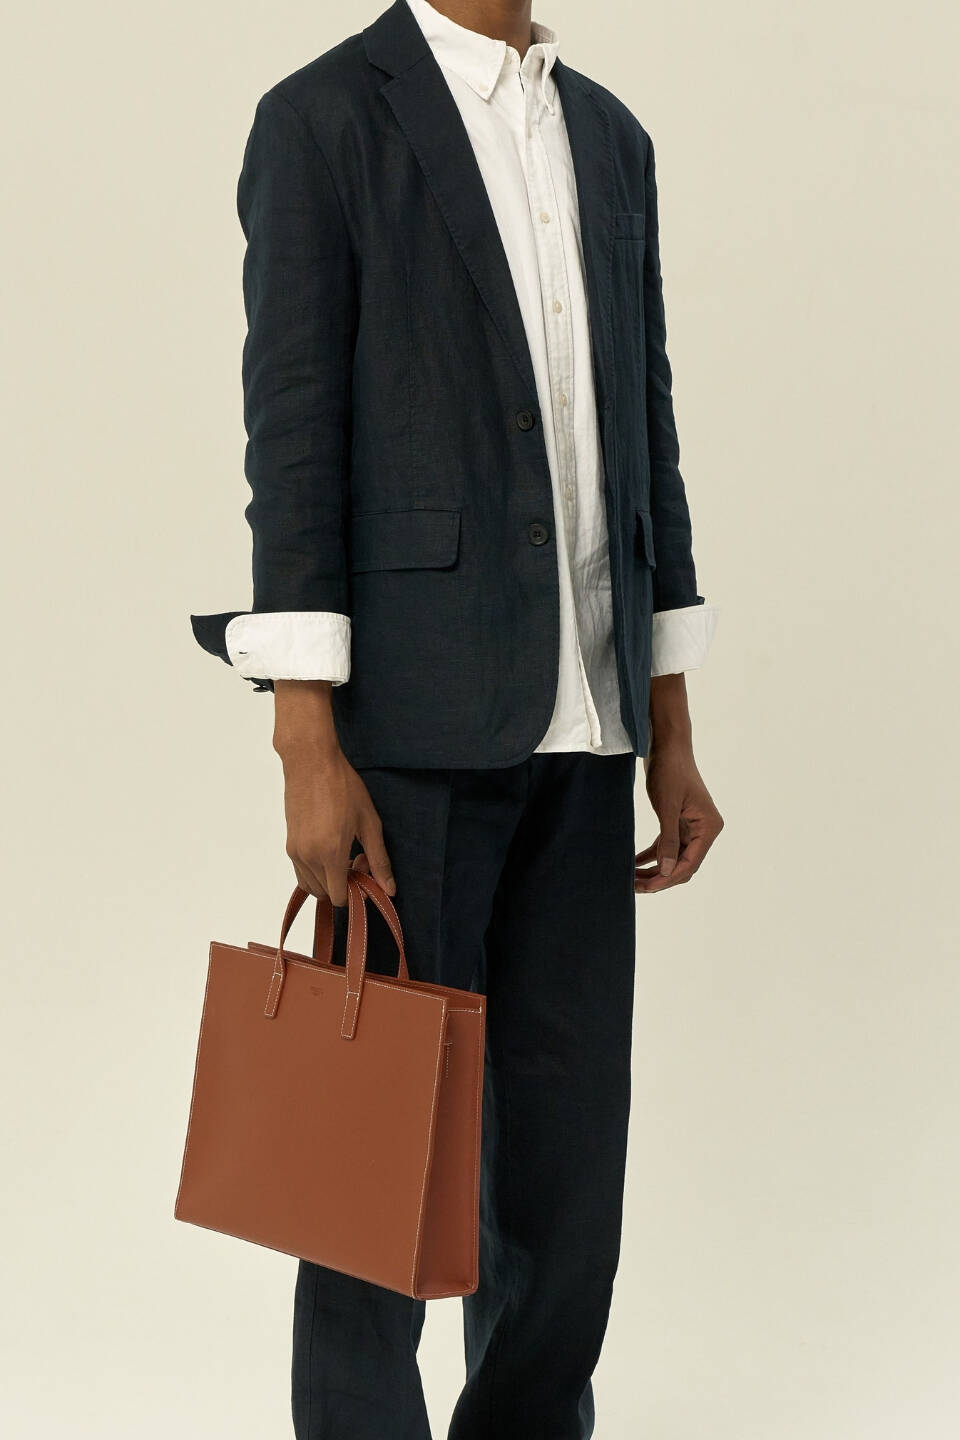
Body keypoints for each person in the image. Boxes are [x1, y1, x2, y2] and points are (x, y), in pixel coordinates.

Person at [190, 1, 724, 1435]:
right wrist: (306, 738)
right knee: (372, 1170)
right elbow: (294, 440)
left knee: (566, 1179)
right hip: (409, 738)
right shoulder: (321, 121)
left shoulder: (610, 137)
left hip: (589, 735)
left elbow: (646, 436)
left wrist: (669, 721)